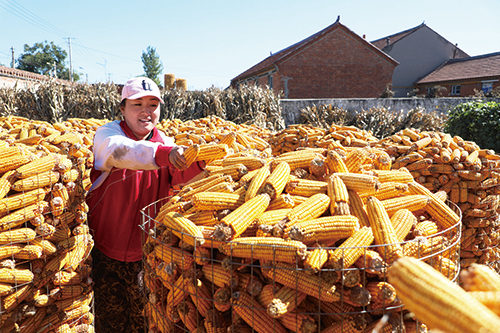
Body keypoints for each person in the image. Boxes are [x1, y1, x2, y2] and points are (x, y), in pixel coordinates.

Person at [86, 77, 205, 333]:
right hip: (106, 250)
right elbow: (121, 152)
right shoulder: (109, 134)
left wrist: (202, 162)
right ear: (122, 108)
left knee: (144, 322)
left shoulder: (168, 143)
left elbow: (182, 177)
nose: (146, 111)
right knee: (110, 322)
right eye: (137, 103)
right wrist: (163, 154)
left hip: (147, 254)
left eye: (153, 104)